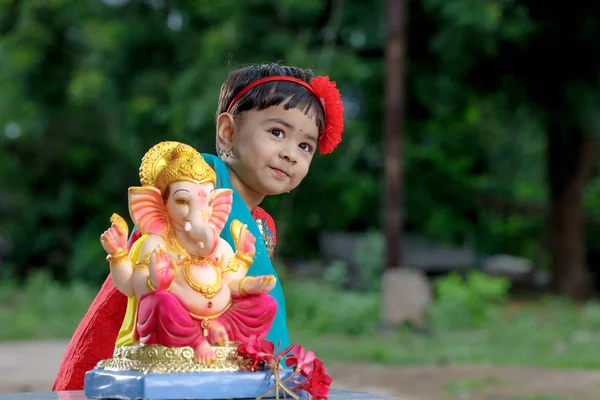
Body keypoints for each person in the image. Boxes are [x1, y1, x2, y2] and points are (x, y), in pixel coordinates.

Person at [52, 62, 344, 391]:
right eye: (277, 132)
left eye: (305, 146)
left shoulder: (262, 225)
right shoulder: (200, 179)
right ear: (228, 132)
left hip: (207, 340)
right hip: (154, 341)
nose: (291, 153)